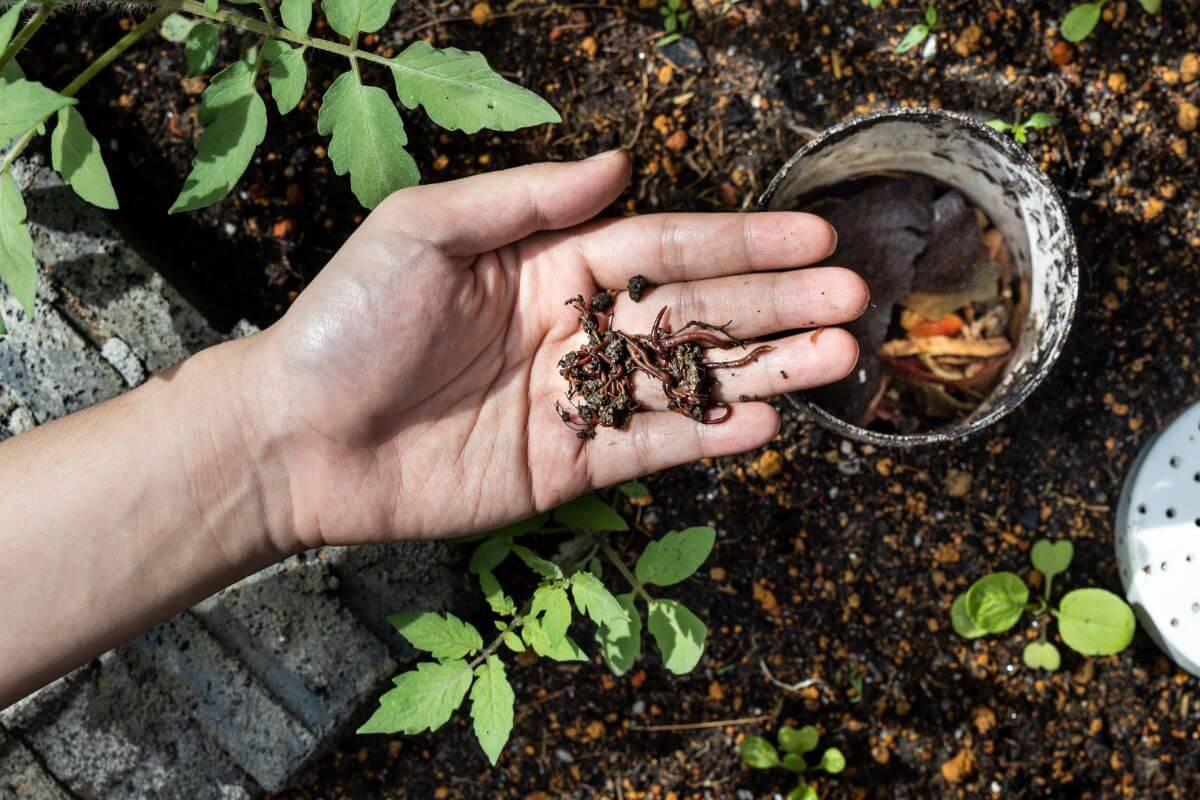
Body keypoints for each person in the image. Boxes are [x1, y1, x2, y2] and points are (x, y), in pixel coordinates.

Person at [0, 151, 867, 708]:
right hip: (569, 373)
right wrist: (274, 433)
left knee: (727, 362)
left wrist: (272, 432)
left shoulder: (608, 346)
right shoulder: (596, 351)